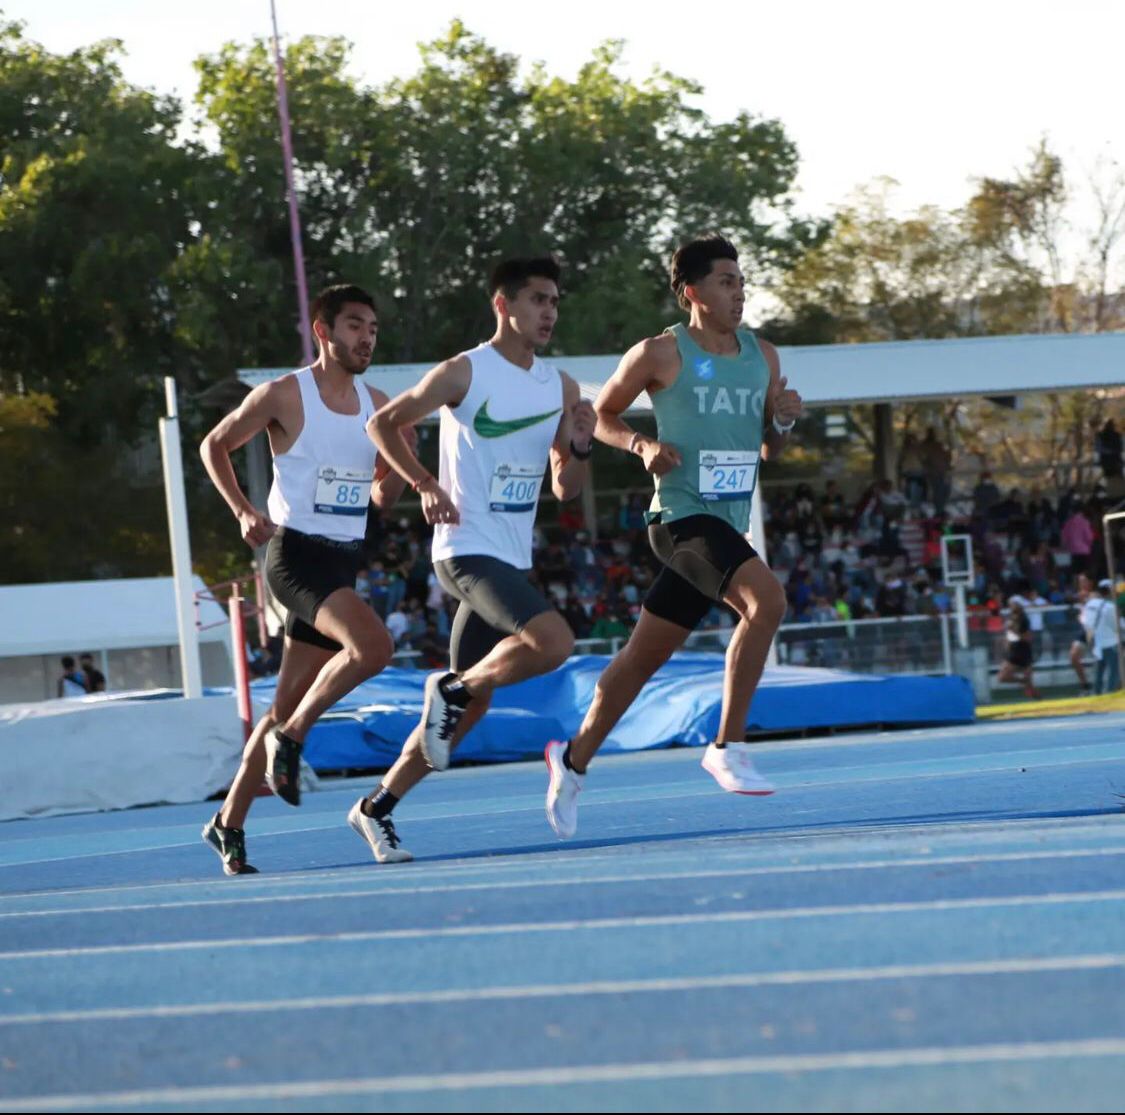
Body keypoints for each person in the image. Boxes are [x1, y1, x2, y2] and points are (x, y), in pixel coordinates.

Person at [544, 234, 802, 838]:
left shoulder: (762, 355)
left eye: (741, 281)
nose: (739, 292)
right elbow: (600, 414)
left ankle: (572, 760)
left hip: (728, 522)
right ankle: (727, 745)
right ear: (692, 292)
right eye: (726, 282)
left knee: (641, 659)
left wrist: (784, 418)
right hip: (682, 519)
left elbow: (770, 448)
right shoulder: (660, 353)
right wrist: (642, 445)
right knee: (768, 602)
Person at [358, 255, 595, 859]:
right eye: (537, 299)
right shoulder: (464, 372)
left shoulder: (560, 387)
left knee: (463, 713)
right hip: (464, 549)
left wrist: (582, 444)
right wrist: (424, 484)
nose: (549, 312)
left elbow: (566, 486)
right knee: (554, 641)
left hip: (509, 558)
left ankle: (376, 807)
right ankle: (455, 688)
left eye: (554, 301)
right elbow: (383, 425)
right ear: (503, 305)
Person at [197, 284, 410, 875]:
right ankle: (291, 738)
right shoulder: (284, 395)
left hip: (342, 559)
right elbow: (215, 445)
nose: (366, 337)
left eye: (372, 328)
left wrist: (392, 476)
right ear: (324, 331)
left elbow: (386, 480)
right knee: (373, 648)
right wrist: (243, 509)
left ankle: (228, 823)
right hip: (293, 558)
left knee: (285, 699)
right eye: (353, 326)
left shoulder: (379, 404)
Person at [997, 597, 1039, 699]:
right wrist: (1006, 644)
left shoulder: (1024, 620)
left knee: (1003, 677)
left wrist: (1014, 632)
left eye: (1014, 604)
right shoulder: (1011, 618)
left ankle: (1035, 697)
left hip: (1022, 652)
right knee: (1002, 677)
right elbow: (1009, 635)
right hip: (1013, 651)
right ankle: (1024, 682)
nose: (1011, 606)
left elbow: (1028, 638)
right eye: (1010, 604)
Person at [1086, 579, 1123, 695]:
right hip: (1111, 643)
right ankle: (1110, 695)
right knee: (1113, 672)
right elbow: (1116, 625)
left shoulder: (1090, 604)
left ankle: (1096, 695)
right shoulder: (1110, 607)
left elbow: (1087, 623)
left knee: (1098, 672)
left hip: (1097, 643)